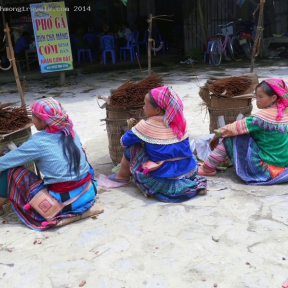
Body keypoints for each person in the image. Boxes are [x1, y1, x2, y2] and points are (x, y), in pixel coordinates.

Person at [0, 98, 97, 230]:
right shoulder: (71, 131)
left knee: (10, 170)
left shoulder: (38, 141)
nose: (32, 120)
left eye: (34, 116)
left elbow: (4, 162)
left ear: (43, 120)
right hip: (88, 193)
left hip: (62, 203)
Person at [108, 86, 207, 202]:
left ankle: (122, 177)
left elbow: (124, 141)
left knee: (132, 147)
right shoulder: (180, 123)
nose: (143, 107)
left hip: (161, 178)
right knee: (183, 152)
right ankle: (185, 182)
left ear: (157, 110)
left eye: (145, 104)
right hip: (189, 171)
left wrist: (137, 132)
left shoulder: (145, 126)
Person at [198, 78, 288, 185]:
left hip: (266, 170)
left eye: (261, 96)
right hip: (283, 166)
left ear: (273, 98)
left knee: (232, 136)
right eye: (256, 96)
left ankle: (207, 168)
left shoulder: (259, 118)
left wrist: (217, 134)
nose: (257, 99)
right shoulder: (285, 113)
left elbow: (233, 128)